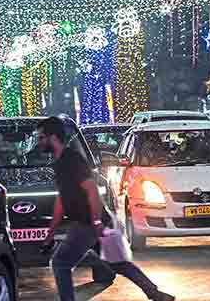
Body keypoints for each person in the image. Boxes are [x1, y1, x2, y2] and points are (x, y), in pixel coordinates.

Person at [38, 117, 175, 301]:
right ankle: (155, 294)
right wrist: (50, 232)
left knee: (60, 264)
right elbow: (62, 200)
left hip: (89, 223)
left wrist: (96, 221)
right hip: (92, 222)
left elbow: (92, 190)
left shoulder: (72, 160)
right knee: (118, 263)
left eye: (41, 138)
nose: (39, 143)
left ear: (53, 137)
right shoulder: (61, 162)